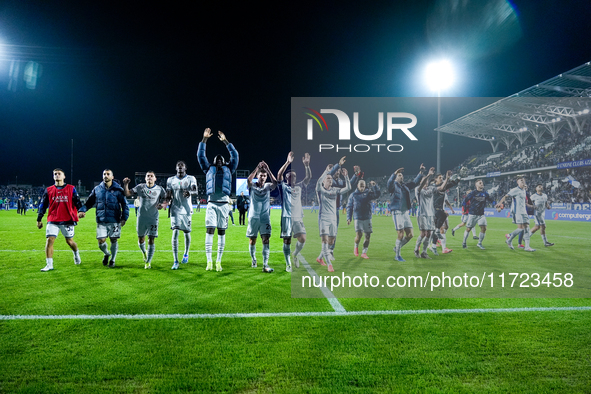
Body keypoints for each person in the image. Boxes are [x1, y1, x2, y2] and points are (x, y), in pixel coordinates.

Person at [197, 128, 239, 271]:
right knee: (210, 231)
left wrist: (226, 141)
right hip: (211, 204)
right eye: (217, 159)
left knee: (221, 232)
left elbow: (235, 155)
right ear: (214, 161)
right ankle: (209, 261)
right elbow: (201, 156)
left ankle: (218, 261)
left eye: (222, 159)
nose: (219, 160)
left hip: (224, 205)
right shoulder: (208, 169)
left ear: (225, 161)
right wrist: (204, 139)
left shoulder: (229, 169)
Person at [79, 169, 129, 268]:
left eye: (108, 174)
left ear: (112, 177)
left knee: (113, 240)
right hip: (101, 220)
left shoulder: (118, 190)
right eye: (104, 174)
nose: (106, 176)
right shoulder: (97, 189)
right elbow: (89, 203)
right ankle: (107, 253)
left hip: (115, 220)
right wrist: (82, 210)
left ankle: (113, 260)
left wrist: (124, 218)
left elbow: (124, 205)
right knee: (101, 241)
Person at [36, 168, 83, 271]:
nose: (57, 175)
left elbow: (77, 201)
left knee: (69, 241)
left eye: (59, 174)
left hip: (67, 219)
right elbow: (43, 205)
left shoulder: (71, 188)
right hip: (53, 219)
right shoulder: (48, 190)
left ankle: (76, 254)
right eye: (55, 174)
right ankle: (49, 265)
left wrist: (80, 210)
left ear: (64, 176)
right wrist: (39, 219)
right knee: (49, 240)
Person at [123, 171, 168, 269]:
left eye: (152, 176)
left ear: (155, 178)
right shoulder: (140, 187)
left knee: (151, 239)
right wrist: (126, 184)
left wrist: (163, 204)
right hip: (141, 218)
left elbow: (167, 198)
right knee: (141, 239)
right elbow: (127, 193)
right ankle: (144, 252)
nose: (149, 178)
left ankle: (148, 262)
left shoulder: (160, 189)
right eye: (148, 176)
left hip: (153, 218)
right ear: (145, 178)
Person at [277, 151, 312, 271]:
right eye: (290, 176)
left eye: (295, 176)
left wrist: (307, 165)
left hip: (298, 217)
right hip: (286, 217)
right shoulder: (284, 187)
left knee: (303, 238)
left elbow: (308, 178)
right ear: (287, 178)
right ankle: (288, 264)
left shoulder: (299, 186)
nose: (293, 177)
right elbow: (279, 175)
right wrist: (287, 162)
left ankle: (295, 255)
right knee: (287, 241)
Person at [316, 163, 351, 272]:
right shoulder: (321, 190)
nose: (330, 180)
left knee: (331, 242)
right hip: (323, 219)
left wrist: (346, 176)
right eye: (328, 179)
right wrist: (326, 171)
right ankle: (329, 265)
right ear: (324, 181)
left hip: (333, 220)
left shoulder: (335, 190)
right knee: (325, 241)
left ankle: (319, 258)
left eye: (331, 179)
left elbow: (348, 187)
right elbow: (318, 183)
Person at [387, 164, 424, 262]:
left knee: (410, 235)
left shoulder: (405, 186)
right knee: (400, 234)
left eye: (401, 175)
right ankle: (397, 255)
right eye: (399, 175)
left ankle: (397, 247)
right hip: (397, 212)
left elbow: (415, 182)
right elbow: (389, 183)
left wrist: (421, 172)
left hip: (405, 212)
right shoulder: (393, 186)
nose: (401, 176)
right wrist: (394, 173)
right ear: (395, 178)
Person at [165, 161, 198, 270]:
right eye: (178, 165)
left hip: (187, 210)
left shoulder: (191, 178)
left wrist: (189, 192)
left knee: (186, 233)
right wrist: (165, 202)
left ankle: (186, 253)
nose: (179, 167)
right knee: (175, 233)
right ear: (176, 168)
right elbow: (168, 195)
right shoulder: (170, 180)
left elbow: (195, 189)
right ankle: (175, 261)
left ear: (185, 168)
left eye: (182, 165)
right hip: (175, 209)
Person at [247, 161, 278, 273]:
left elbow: (275, 183)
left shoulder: (267, 186)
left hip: (265, 218)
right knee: (252, 241)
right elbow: (249, 180)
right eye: (261, 175)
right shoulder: (253, 186)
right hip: (253, 217)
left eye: (264, 176)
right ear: (257, 176)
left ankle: (265, 264)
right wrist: (257, 168)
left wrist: (268, 170)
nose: (263, 177)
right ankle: (254, 259)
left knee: (266, 240)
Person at [496, 177, 536, 252]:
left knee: (527, 228)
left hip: (524, 212)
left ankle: (527, 247)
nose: (523, 182)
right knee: (520, 228)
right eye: (521, 181)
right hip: (518, 212)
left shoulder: (524, 190)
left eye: (523, 181)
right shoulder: (515, 190)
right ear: (517, 182)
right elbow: (506, 196)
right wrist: (500, 203)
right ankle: (510, 238)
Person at [346, 179, 380, 259]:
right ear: (358, 185)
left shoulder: (368, 194)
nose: (362, 187)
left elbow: (377, 195)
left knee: (367, 236)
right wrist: (349, 218)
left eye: (363, 185)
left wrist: (375, 186)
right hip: (358, 217)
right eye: (360, 185)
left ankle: (364, 252)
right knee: (359, 235)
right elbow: (349, 207)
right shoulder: (353, 195)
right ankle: (356, 246)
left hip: (367, 217)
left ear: (365, 186)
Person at [461, 179, 494, 249]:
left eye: (482, 183)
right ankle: (464, 242)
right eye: (480, 183)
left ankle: (479, 243)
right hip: (473, 214)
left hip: (481, 214)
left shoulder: (485, 193)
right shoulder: (473, 193)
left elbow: (491, 200)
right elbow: (465, 201)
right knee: (468, 229)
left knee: (484, 228)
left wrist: (496, 205)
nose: (482, 184)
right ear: (476, 185)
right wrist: (464, 209)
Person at [429, 171, 455, 254]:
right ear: (435, 179)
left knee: (443, 227)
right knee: (439, 228)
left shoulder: (444, 189)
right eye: (440, 178)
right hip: (435, 210)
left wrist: (458, 178)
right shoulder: (433, 187)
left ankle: (433, 245)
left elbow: (450, 185)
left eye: (442, 177)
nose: (442, 179)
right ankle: (443, 248)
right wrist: (447, 179)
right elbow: (441, 187)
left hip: (441, 209)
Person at [414, 167, 437, 259]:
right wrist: (428, 175)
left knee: (429, 233)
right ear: (421, 182)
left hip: (430, 214)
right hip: (422, 214)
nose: (426, 182)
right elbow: (421, 185)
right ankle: (416, 249)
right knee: (423, 233)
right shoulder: (418, 189)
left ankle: (424, 252)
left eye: (427, 181)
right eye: (424, 181)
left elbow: (440, 188)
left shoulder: (431, 189)